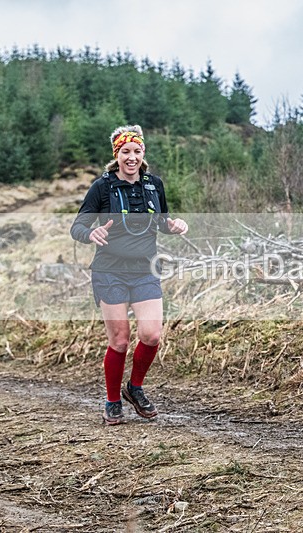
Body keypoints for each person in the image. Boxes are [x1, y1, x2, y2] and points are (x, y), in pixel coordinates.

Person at [70, 125, 188, 425]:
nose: (131, 157)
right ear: (117, 155)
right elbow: (78, 227)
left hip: (145, 269)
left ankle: (134, 388)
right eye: (126, 152)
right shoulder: (102, 187)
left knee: (151, 335)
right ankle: (112, 401)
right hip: (110, 271)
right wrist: (90, 232)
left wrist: (173, 227)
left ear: (143, 153)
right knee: (120, 339)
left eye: (137, 151)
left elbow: (161, 222)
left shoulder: (154, 185)